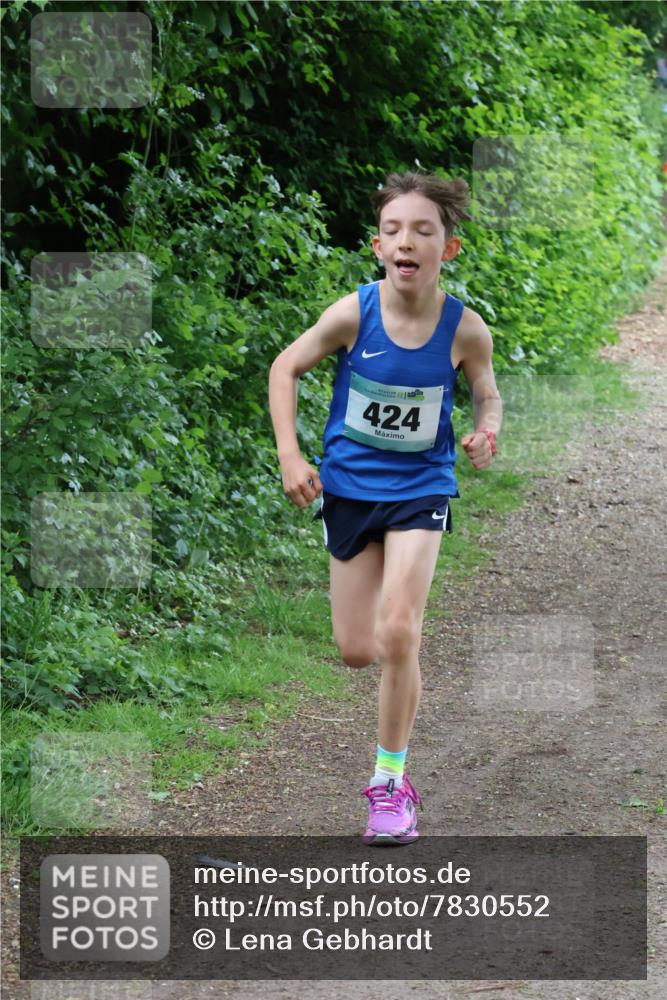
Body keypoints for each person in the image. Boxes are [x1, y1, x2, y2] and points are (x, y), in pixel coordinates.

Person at [268, 171, 502, 845]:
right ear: (378, 246)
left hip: (422, 488)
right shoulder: (353, 314)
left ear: (445, 250)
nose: (408, 241)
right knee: (356, 649)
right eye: (395, 230)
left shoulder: (465, 329)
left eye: (423, 230)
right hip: (348, 489)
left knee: (400, 631)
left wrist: (486, 429)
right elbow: (284, 368)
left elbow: (487, 393)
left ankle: (389, 783)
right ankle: (388, 758)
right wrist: (290, 455)